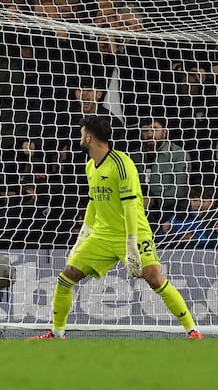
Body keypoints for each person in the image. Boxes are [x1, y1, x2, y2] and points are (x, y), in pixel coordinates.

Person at [31, 115, 203, 340]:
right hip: (103, 235)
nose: (80, 138)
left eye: (82, 134)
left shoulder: (122, 164)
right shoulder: (90, 166)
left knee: (155, 279)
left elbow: (131, 206)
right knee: (66, 277)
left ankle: (193, 331)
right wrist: (82, 237)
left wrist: (131, 244)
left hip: (133, 232)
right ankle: (56, 333)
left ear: (89, 138)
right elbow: (94, 202)